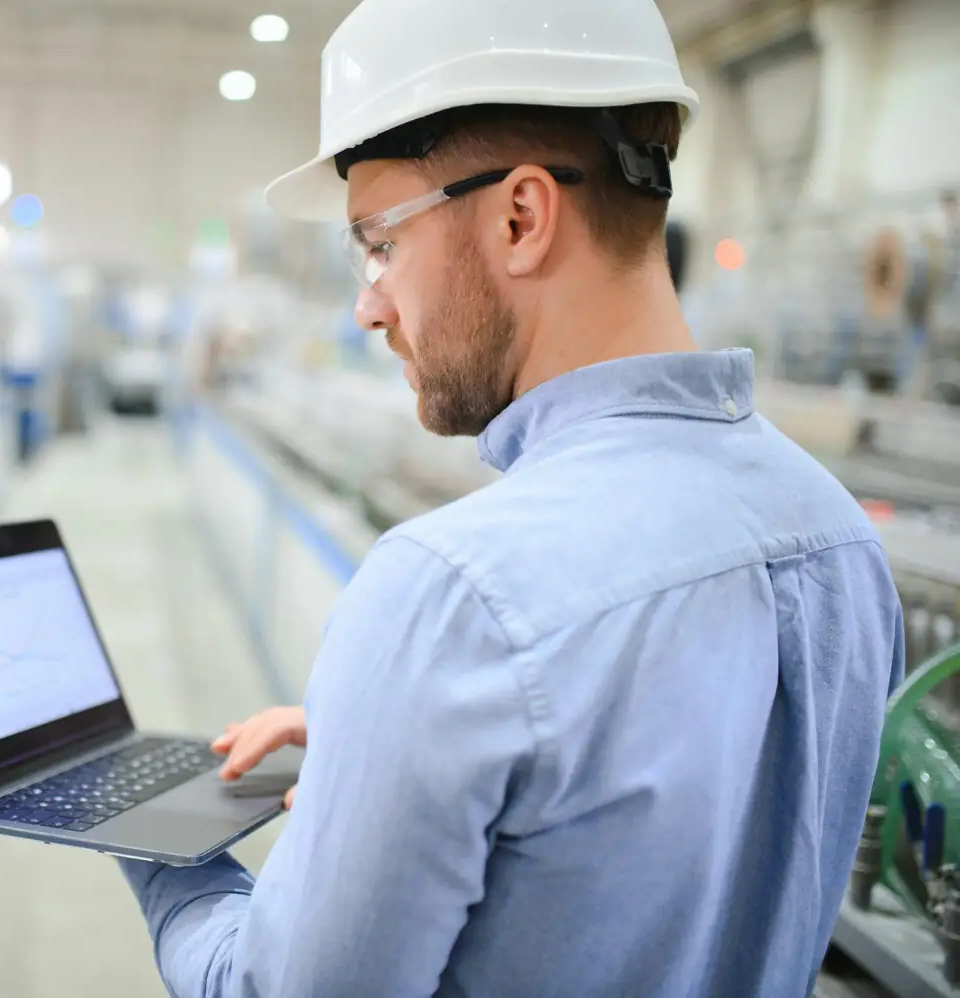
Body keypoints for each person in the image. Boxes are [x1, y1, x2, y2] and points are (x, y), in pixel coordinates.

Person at [116, 1, 905, 996]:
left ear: (521, 216)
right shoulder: (836, 538)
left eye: (379, 244)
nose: (368, 302)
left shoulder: (457, 595)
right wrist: (402, 755)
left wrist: (159, 846)